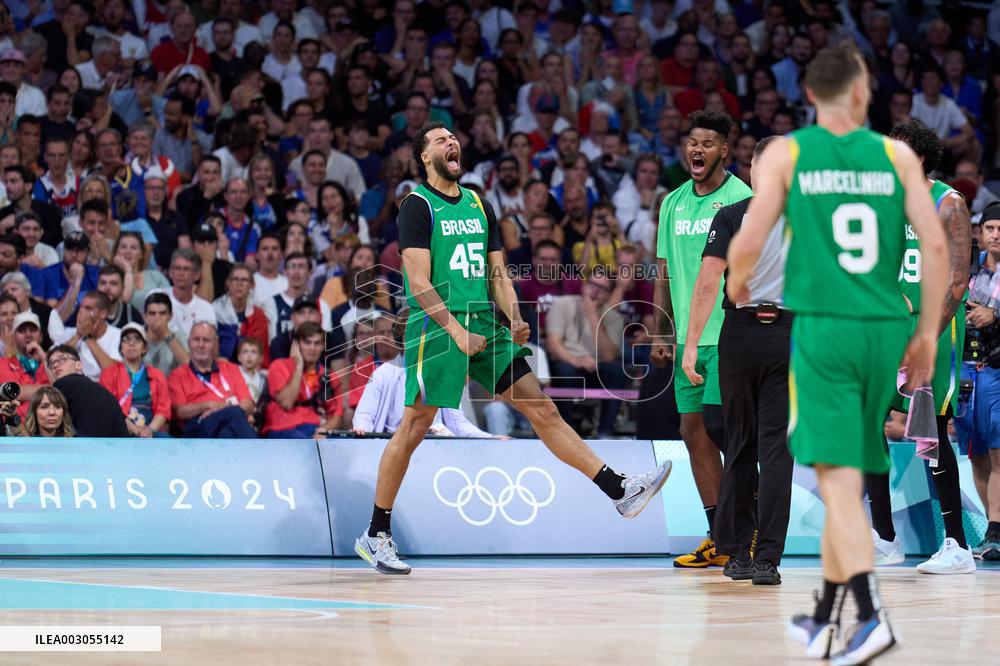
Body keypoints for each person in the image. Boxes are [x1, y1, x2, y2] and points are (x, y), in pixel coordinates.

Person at [355, 122, 672, 575]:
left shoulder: (479, 203)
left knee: (542, 409)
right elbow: (418, 282)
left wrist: (515, 317)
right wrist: (456, 330)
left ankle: (619, 491)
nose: (452, 142)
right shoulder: (416, 206)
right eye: (440, 139)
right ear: (424, 156)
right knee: (414, 427)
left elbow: (498, 273)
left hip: (484, 322)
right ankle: (376, 533)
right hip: (437, 327)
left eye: (453, 137)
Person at [726, 43, 947, 663]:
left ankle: (870, 615)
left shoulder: (792, 154)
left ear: (810, 98)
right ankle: (825, 615)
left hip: (825, 328)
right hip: (886, 326)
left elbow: (749, 236)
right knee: (848, 468)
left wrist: (739, 281)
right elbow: (933, 249)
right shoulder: (898, 155)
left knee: (840, 480)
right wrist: (927, 332)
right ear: (860, 93)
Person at [682, 136, 792, 586]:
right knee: (764, 447)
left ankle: (750, 555)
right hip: (776, 333)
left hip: (758, 335)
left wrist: (691, 345)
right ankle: (759, 556)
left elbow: (709, 280)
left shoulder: (732, 216)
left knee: (752, 445)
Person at [865, 120, 974, 575]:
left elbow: (958, 279)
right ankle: (885, 538)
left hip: (933, 327)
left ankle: (957, 546)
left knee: (929, 431)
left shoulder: (948, 203)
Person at [651, 110, 753, 568]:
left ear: (724, 151)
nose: (697, 149)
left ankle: (747, 531)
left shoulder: (742, 198)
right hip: (689, 341)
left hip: (729, 335)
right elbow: (665, 270)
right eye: (692, 141)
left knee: (728, 432)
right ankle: (720, 536)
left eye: (708, 142)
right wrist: (661, 328)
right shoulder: (671, 202)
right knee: (692, 431)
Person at [955, 202, 1000, 560]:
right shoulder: (968, 270)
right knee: (977, 454)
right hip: (967, 370)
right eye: (990, 229)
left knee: (999, 453)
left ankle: (997, 531)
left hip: (998, 369)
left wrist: (995, 314)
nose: (996, 235)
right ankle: (992, 530)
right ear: (980, 233)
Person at [545, 272, 629, 437]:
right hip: (568, 363)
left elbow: (609, 356)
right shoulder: (563, 304)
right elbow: (553, 344)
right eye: (592, 284)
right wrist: (575, 360)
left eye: (602, 288)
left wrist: (592, 316)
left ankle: (605, 431)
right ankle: (566, 432)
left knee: (617, 370)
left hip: (597, 367)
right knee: (565, 371)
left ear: (608, 295)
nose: (595, 291)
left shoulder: (613, 317)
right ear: (584, 285)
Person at [168, 321, 256, 438]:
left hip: (227, 425)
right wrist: (207, 405)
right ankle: (257, 453)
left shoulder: (230, 368)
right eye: (196, 340)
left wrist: (220, 409)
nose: (201, 345)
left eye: (206, 340)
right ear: (189, 344)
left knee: (226, 434)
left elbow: (248, 404)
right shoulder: (177, 375)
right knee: (234, 413)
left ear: (215, 344)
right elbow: (179, 412)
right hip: (197, 427)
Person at [262, 322, 341, 438]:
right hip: (283, 428)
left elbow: (337, 415)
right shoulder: (278, 366)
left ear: (323, 346)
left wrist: (323, 431)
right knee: (302, 441)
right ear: (296, 344)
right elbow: (287, 403)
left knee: (344, 443)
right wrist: (299, 367)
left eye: (317, 343)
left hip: (315, 427)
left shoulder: (329, 375)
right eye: (307, 342)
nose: (312, 348)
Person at [99, 322, 169, 437]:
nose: (131, 343)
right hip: (120, 430)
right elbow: (107, 409)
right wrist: (134, 430)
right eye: (126, 339)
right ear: (121, 348)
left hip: (150, 432)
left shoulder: (157, 375)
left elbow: (163, 410)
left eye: (137, 339)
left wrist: (148, 431)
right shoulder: (109, 374)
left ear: (144, 348)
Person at [47, 344, 131, 438]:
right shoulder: (102, 390)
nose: (55, 364)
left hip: (89, 448)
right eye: (51, 363)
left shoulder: (62, 384)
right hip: (119, 447)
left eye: (61, 359)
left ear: (78, 365)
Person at [49, 290, 122, 381]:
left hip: (103, 388)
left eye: (88, 308)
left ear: (103, 313)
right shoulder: (71, 333)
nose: (81, 312)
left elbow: (114, 373)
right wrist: (78, 336)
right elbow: (54, 362)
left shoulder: (117, 335)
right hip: (75, 385)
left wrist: (88, 337)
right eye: (80, 308)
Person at [162, 248, 216, 337]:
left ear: (197, 275)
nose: (181, 273)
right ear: (170, 272)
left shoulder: (207, 309)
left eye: (186, 269)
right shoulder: (157, 297)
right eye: (177, 268)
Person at [143, 292, 189, 376]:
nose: (157, 318)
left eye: (162, 313)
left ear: (170, 316)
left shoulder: (179, 337)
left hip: (171, 387)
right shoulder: (136, 336)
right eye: (152, 313)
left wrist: (165, 334)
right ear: (145, 317)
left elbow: (189, 366)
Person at [237, 337, 267, 404]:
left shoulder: (262, 379)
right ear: (239, 357)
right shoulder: (234, 374)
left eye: (253, 352)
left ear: (260, 358)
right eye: (245, 352)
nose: (249, 356)